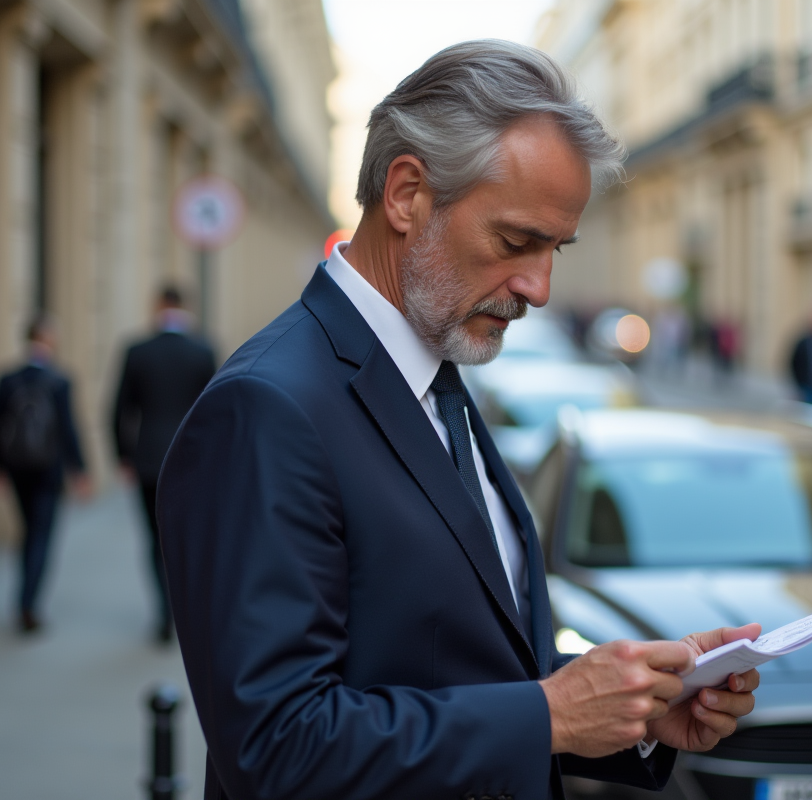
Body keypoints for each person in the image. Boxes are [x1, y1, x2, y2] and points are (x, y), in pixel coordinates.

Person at [158, 41, 760, 800]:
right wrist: (548, 715)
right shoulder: (266, 409)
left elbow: (457, 666)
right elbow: (276, 749)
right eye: (516, 242)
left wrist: (635, 704)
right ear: (408, 193)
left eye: (555, 249)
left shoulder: (433, 365)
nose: (539, 287)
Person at [113, 286, 216, 643]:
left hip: (148, 459)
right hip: (190, 459)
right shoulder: (202, 351)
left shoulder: (137, 351)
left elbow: (119, 408)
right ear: (183, 306)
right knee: (185, 537)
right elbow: (214, 409)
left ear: (158, 306)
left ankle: (163, 612)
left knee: (154, 538)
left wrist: (122, 456)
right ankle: (183, 609)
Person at [0, 317, 89, 633]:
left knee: (28, 531)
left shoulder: (7, 378)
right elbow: (69, 429)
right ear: (46, 338)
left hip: (18, 468)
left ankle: (23, 598)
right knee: (42, 536)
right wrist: (80, 469)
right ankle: (28, 605)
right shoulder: (59, 379)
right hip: (49, 469)